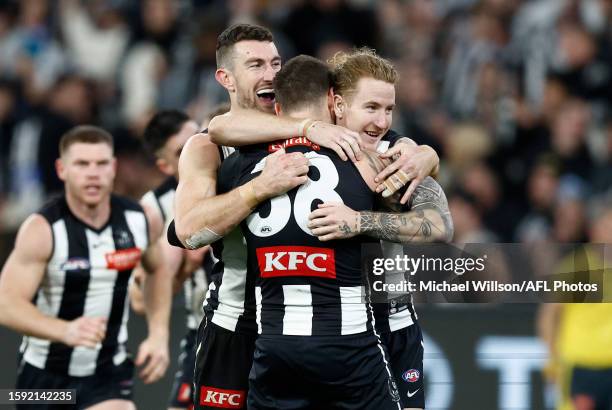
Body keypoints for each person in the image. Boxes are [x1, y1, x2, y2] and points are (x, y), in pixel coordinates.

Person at [170, 24, 440, 409]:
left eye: (276, 62)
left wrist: (426, 153)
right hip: (237, 324)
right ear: (225, 78)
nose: (271, 73)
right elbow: (189, 232)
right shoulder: (209, 147)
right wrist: (258, 188)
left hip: (328, 321)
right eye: (255, 64)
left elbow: (398, 147)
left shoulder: (340, 134)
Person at [228, 53, 452, 409]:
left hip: (388, 316)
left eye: (389, 109)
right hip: (338, 332)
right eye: (371, 107)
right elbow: (218, 129)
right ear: (337, 104)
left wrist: (424, 154)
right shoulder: (343, 158)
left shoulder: (388, 157)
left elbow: (441, 226)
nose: (381, 121)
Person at [0, 126, 172, 410]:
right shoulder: (42, 230)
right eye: (81, 164)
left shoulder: (140, 219)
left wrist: (158, 335)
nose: (93, 173)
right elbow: (6, 305)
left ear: (114, 167)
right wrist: (63, 331)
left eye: (101, 163)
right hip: (43, 378)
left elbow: (158, 271)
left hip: (107, 374)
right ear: (61, 169)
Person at [129, 109, 217, 410]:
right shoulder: (154, 208)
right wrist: (184, 269)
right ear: (164, 165)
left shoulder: (237, 172)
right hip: (202, 329)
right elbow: (140, 300)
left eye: (198, 136)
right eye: (181, 151)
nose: (195, 149)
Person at [537, 207, 612, 410]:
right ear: (594, 230)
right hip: (581, 367)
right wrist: (552, 358)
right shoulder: (575, 267)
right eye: (607, 226)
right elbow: (549, 315)